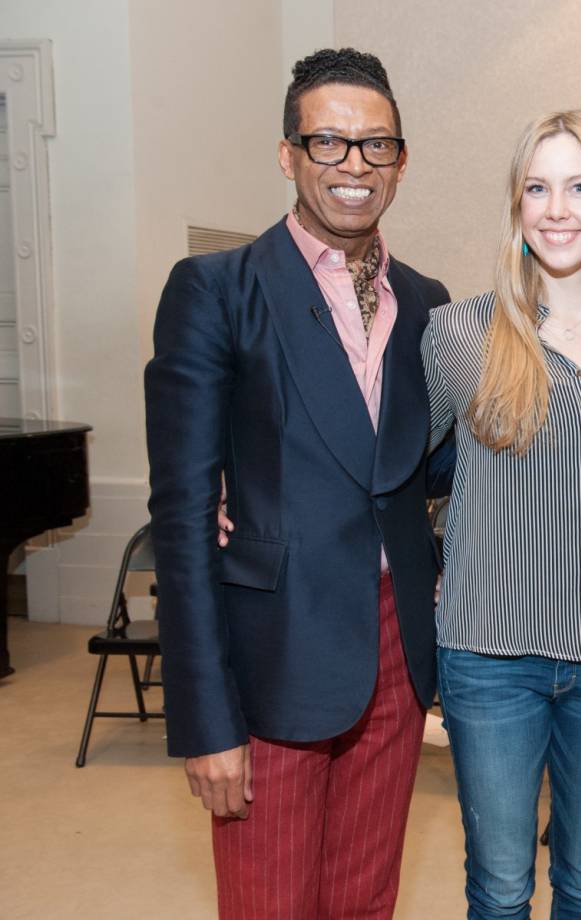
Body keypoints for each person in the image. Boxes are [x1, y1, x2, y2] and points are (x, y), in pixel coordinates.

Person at [144, 49, 450, 917]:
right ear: (288, 154)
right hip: (271, 651)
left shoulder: (429, 303)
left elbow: (429, 465)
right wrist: (206, 721)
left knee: (365, 902)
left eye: (376, 144)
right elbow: (183, 520)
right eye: (328, 141)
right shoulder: (217, 290)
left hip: (395, 648)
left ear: (400, 161)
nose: (354, 164)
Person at [422, 110, 581, 918]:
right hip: (491, 658)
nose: (558, 209)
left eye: (580, 187)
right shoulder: (458, 335)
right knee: (502, 887)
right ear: (516, 205)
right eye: (537, 189)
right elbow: (384, 471)